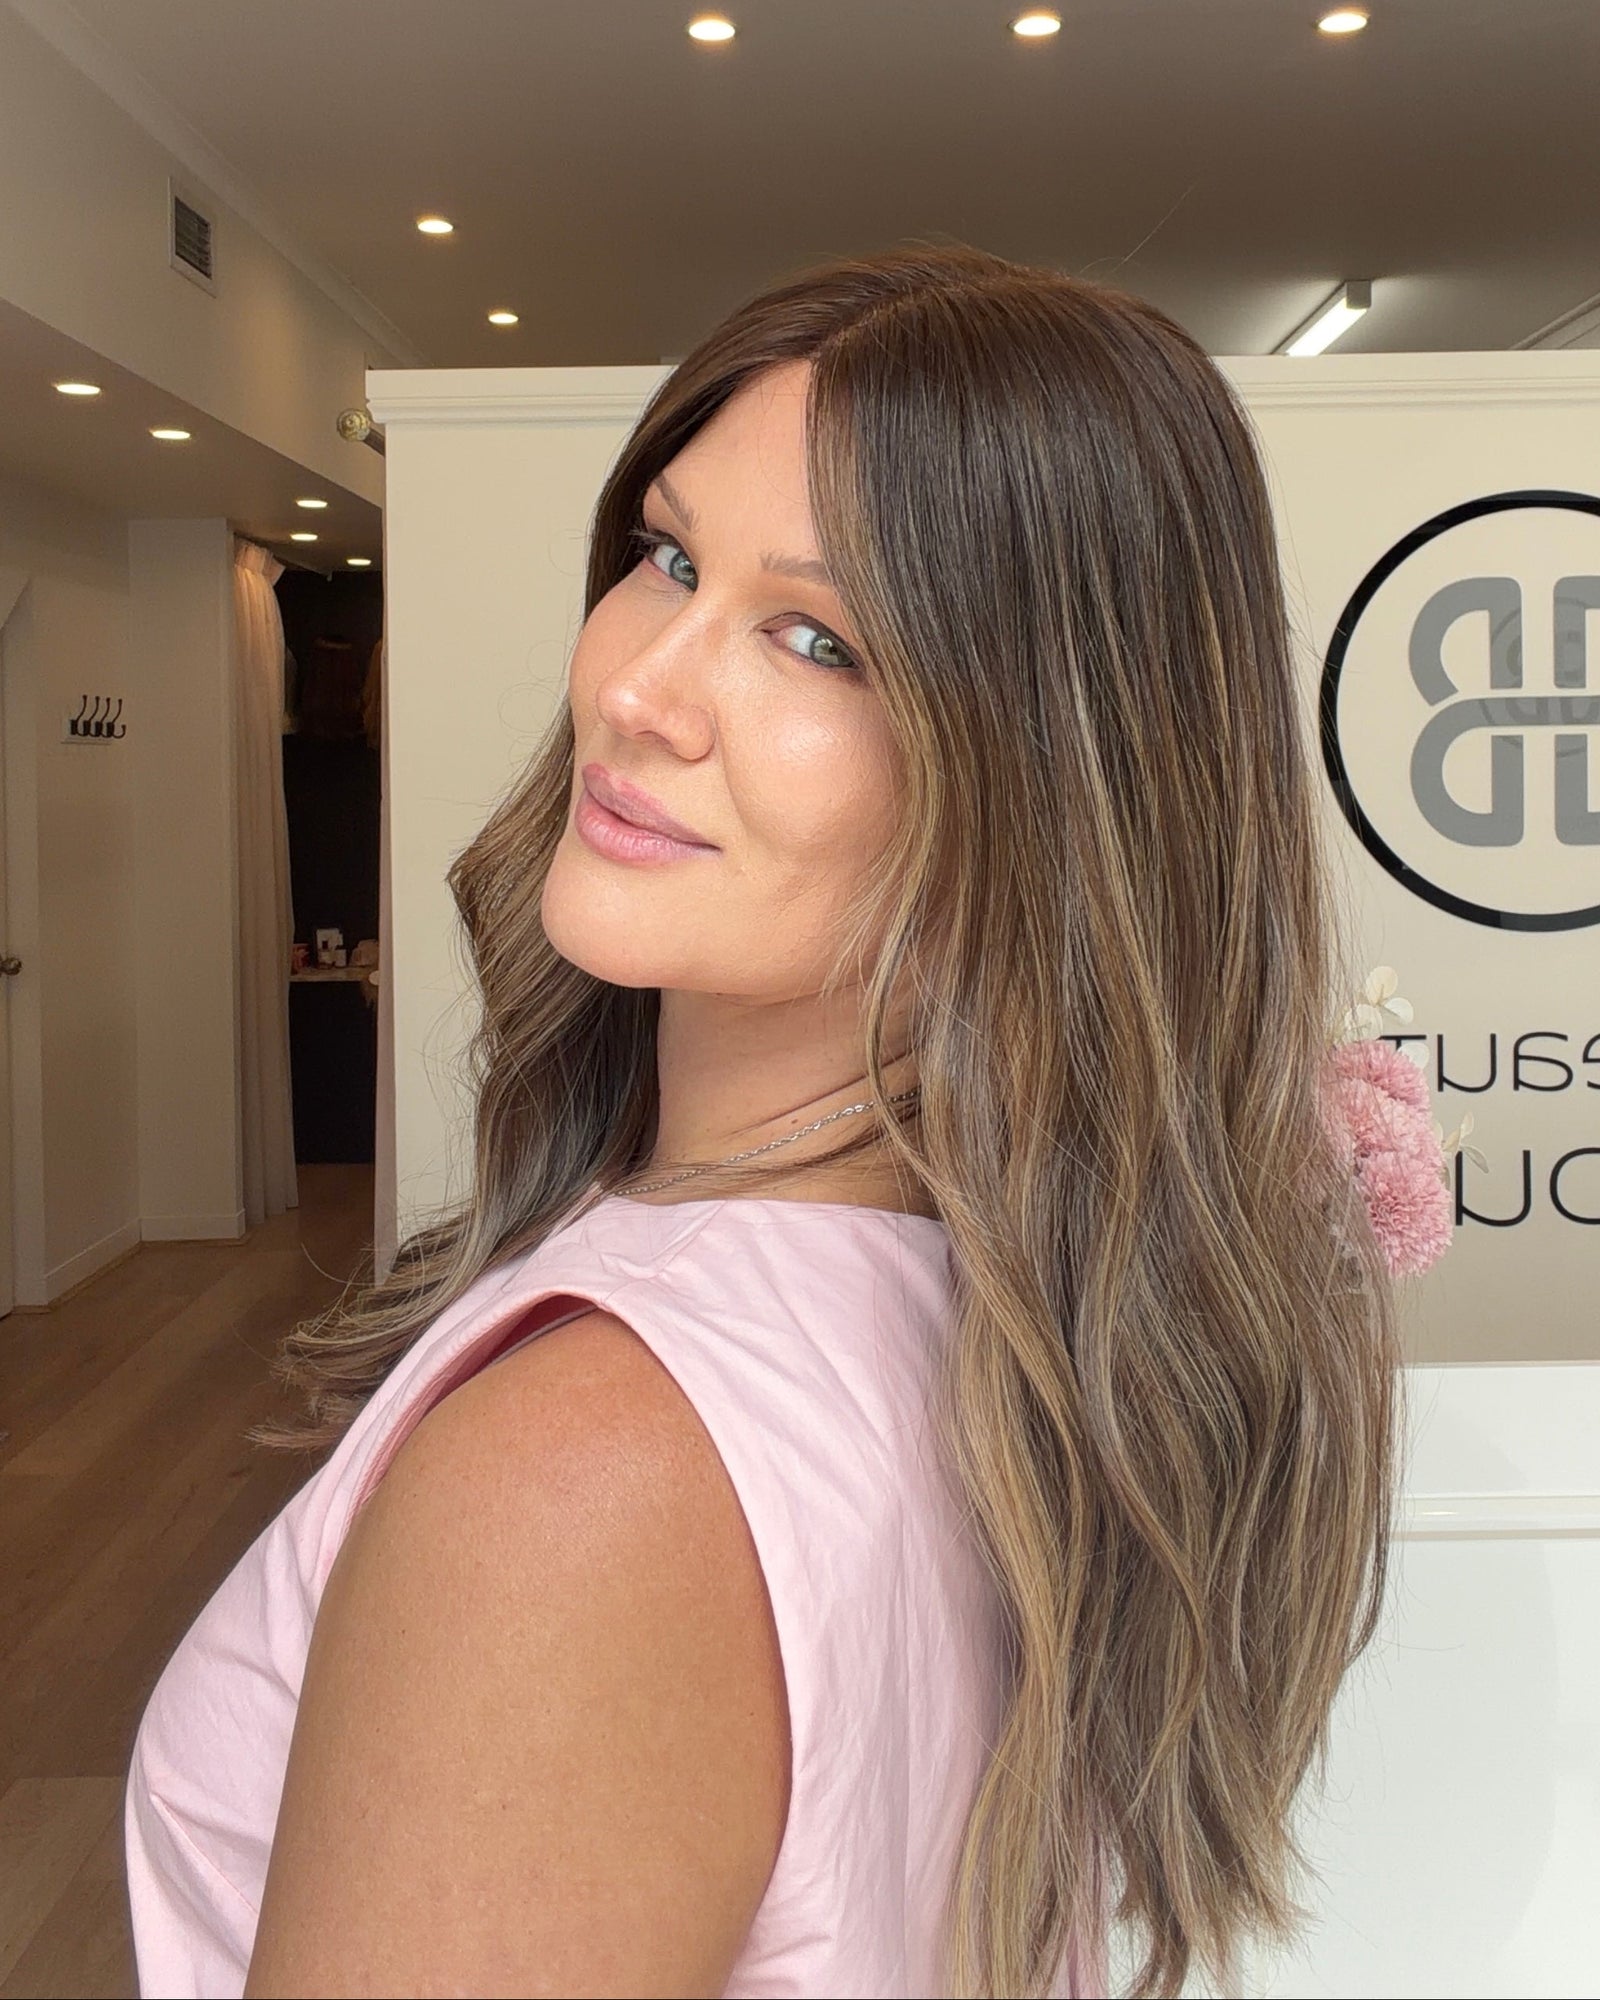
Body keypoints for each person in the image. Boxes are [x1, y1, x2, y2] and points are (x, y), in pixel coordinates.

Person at [125, 244, 1412, 2000]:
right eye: (666, 558)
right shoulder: (1001, 1328)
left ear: (1046, 778)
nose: (637, 687)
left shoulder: (591, 1471)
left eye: (817, 638)